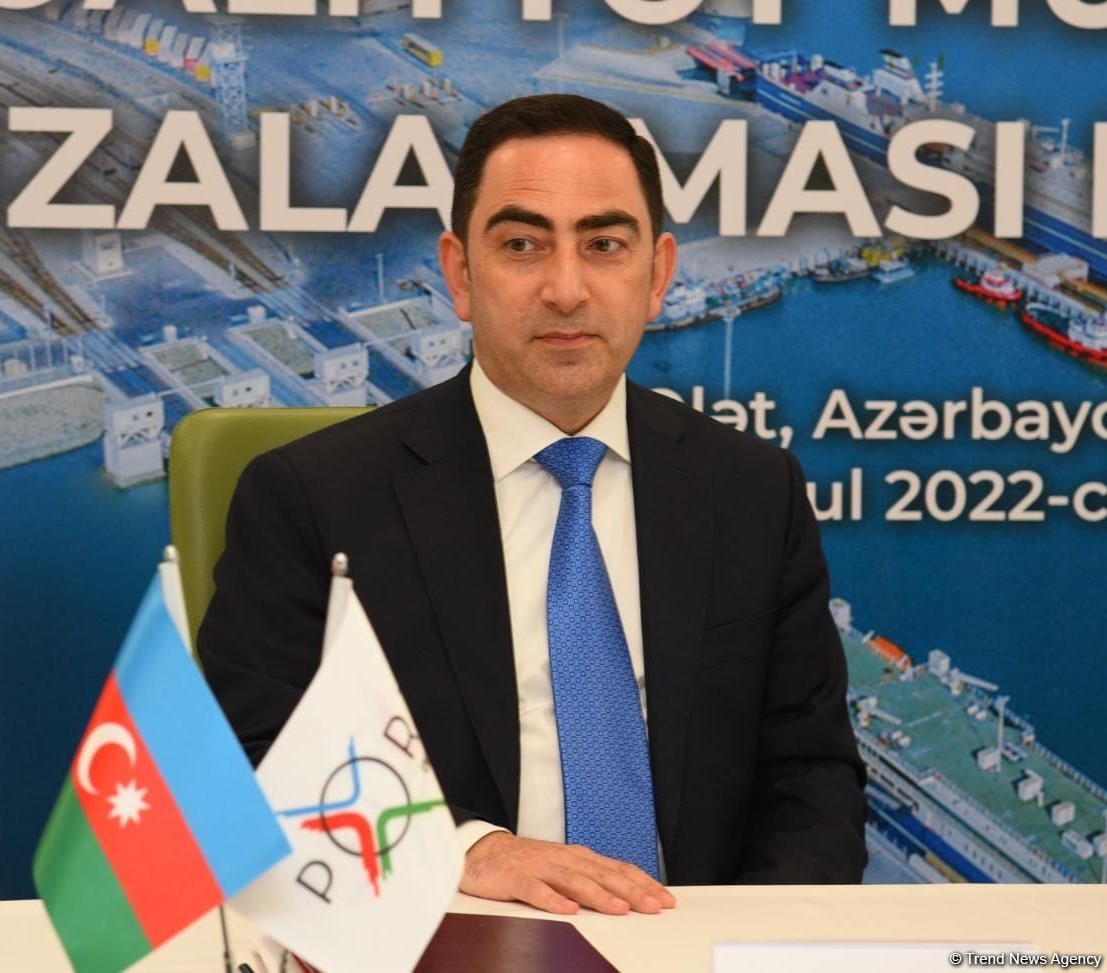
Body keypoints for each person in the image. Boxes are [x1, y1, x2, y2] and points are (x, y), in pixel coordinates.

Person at [199, 93, 867, 917]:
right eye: (522, 244)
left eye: (604, 244)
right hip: (443, 935)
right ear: (459, 274)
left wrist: (743, 945)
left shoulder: (753, 490)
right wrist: (463, 849)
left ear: (657, 276)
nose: (566, 288)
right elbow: (248, 760)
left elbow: (812, 776)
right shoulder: (311, 498)